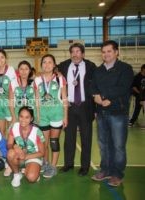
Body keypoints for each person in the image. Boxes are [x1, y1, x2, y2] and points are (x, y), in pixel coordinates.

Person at [91, 40, 134, 187]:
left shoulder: (125, 69)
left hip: (118, 113)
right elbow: (93, 87)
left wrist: (104, 97)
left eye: (109, 51)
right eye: (103, 52)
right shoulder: (98, 70)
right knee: (103, 144)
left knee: (118, 145)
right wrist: (95, 96)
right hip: (101, 113)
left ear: (116, 52)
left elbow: (123, 88)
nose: (106, 54)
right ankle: (105, 170)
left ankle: (117, 174)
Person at [58, 42, 96, 176]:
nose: (75, 54)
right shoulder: (63, 66)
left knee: (86, 138)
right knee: (69, 138)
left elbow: (95, 86)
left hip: (85, 106)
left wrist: (95, 109)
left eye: (78, 51)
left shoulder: (91, 66)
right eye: (73, 52)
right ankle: (68, 164)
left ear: (83, 53)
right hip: (69, 106)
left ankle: (85, 167)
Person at [34, 54, 68, 179]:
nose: (47, 65)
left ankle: (53, 167)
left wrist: (65, 116)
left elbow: (64, 98)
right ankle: (46, 163)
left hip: (56, 114)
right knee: (44, 143)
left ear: (54, 65)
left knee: (54, 142)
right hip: (43, 115)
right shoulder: (37, 80)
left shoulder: (60, 79)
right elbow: (37, 99)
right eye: (44, 62)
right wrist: (37, 115)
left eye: (49, 62)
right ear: (41, 64)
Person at [7, 106, 45, 187]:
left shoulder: (37, 132)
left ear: (31, 119)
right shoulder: (14, 127)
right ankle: (17, 174)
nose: (23, 120)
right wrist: (14, 146)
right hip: (20, 155)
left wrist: (25, 157)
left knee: (31, 178)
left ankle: (32, 169)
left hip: (33, 156)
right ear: (18, 116)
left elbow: (42, 153)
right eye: (21, 116)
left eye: (27, 117)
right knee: (10, 153)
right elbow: (9, 144)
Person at [0, 49, 17, 137]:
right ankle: (3, 150)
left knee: (11, 131)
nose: (0, 60)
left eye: (2, 57)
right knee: (1, 131)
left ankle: (10, 149)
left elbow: (14, 89)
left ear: (6, 58)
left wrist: (12, 106)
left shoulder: (11, 70)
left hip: (9, 105)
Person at [9, 60, 35, 125]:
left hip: (31, 114)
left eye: (26, 69)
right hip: (18, 114)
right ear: (18, 71)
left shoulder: (34, 83)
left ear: (29, 71)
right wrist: (13, 117)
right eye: (21, 69)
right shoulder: (13, 83)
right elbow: (11, 102)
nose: (24, 71)